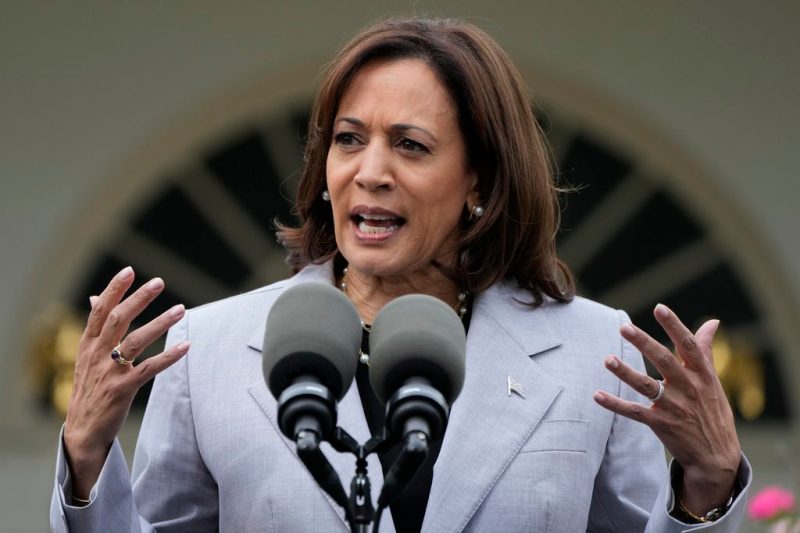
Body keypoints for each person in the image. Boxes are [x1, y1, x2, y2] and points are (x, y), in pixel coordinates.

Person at [50, 17, 750, 532]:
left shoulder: (595, 350)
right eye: (349, 139)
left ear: (479, 178)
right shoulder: (207, 351)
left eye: (410, 146)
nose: (370, 172)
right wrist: (85, 456)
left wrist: (707, 486)